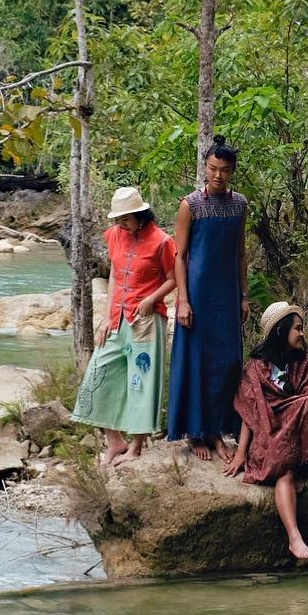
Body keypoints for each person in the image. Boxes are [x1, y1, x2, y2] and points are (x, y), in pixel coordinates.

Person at [72, 186, 176, 466]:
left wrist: (152, 298)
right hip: (118, 318)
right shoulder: (115, 236)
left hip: (146, 321)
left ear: (140, 215)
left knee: (141, 382)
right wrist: (107, 317)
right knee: (99, 372)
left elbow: (173, 278)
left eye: (125, 219)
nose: (120, 224)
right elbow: (115, 276)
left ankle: (136, 447)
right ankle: (114, 441)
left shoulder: (162, 241)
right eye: (117, 219)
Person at [225, 302, 308, 561]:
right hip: (269, 441)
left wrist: (292, 409)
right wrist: (241, 453)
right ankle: (295, 541)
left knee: (306, 403)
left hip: (299, 442)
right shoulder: (256, 369)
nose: (302, 334)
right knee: (285, 473)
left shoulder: (304, 363)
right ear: (280, 330)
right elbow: (250, 414)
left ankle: (297, 540)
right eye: (297, 328)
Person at [167, 135, 250, 461]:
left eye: (225, 170)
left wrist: (244, 296)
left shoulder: (240, 204)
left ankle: (218, 432)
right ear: (205, 167)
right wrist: (183, 300)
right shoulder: (190, 205)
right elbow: (180, 256)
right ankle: (196, 434)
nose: (218, 175)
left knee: (227, 364)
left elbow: (241, 254)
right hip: (198, 296)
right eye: (214, 168)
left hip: (227, 296)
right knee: (197, 362)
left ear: (232, 172)